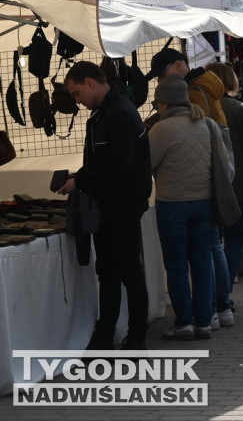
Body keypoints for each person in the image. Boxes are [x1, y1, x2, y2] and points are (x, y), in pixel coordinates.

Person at [59, 61, 152, 350]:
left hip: (122, 208)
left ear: (89, 82)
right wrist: (82, 178)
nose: (77, 101)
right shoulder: (105, 114)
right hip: (109, 207)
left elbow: (117, 166)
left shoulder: (120, 114)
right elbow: (105, 162)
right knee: (109, 274)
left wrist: (81, 181)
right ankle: (105, 335)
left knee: (128, 273)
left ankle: (135, 337)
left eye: (76, 93)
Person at [148, 75, 230, 340]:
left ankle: (184, 323)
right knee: (203, 263)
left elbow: (145, 164)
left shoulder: (161, 130)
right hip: (205, 204)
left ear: (164, 103)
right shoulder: (207, 124)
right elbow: (223, 166)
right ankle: (205, 322)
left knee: (176, 266)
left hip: (173, 205)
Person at [206, 62, 243, 316]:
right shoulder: (238, 108)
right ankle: (223, 296)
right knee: (234, 239)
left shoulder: (200, 107)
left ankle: (212, 296)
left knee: (213, 242)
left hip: (207, 183)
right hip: (237, 183)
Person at [146, 48, 227, 125]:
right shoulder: (200, 84)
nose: (160, 81)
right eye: (157, 77)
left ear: (178, 65)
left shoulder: (193, 92)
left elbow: (195, 128)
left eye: (162, 75)